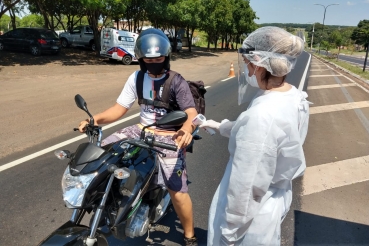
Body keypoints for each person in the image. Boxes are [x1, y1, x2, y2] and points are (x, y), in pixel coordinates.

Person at [78, 28, 199, 246]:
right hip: (141, 129)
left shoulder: (176, 81)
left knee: (177, 191)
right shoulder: (136, 77)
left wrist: (187, 129)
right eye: (149, 59)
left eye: (159, 58)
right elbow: (118, 109)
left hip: (170, 136)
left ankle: (189, 235)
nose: (154, 63)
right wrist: (92, 120)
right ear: (141, 59)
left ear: (167, 56)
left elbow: (190, 113)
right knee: (102, 155)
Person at [200, 26, 310, 246]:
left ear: (259, 62)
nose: (247, 69)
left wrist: (229, 234)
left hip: (250, 222)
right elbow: (253, 133)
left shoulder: (262, 115)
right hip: (270, 204)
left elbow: (245, 187)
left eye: (248, 63)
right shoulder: (293, 96)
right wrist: (219, 125)